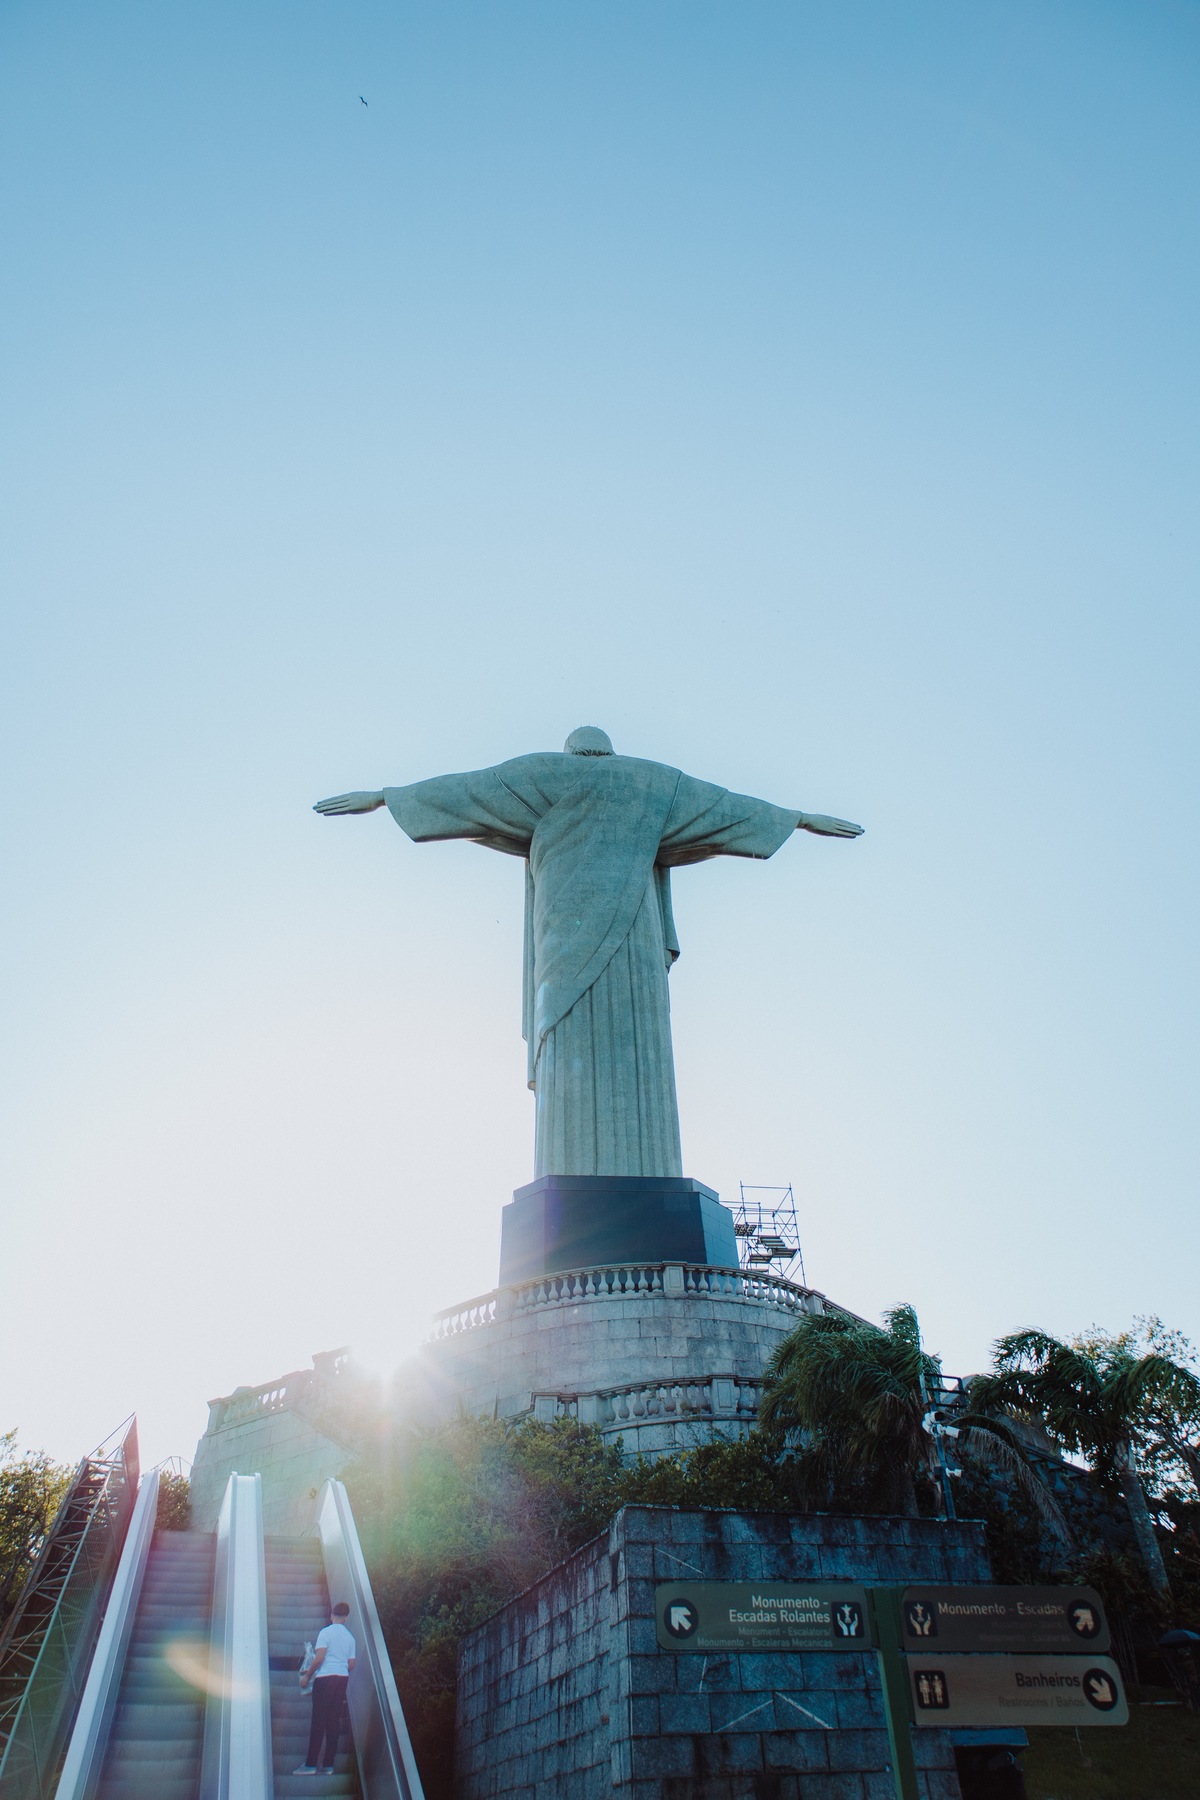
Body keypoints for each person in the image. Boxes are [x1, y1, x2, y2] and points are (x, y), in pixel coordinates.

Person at [294, 1600, 356, 1776]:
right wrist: (337, 1667)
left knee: (318, 1721)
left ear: (332, 1616)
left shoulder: (325, 1633)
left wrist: (307, 1675)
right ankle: (328, 1765)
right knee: (333, 1721)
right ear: (346, 1618)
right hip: (341, 1679)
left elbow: (320, 1658)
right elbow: (351, 1664)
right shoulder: (350, 1638)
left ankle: (311, 1764)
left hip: (325, 1680)